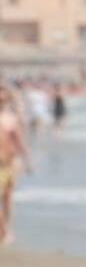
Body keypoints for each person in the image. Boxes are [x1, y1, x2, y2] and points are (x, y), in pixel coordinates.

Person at [0, 87, 32, 246]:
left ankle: (6, 229)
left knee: (7, 198)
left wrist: (27, 160)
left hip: (8, 163)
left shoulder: (10, 118)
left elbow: (19, 141)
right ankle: (4, 231)